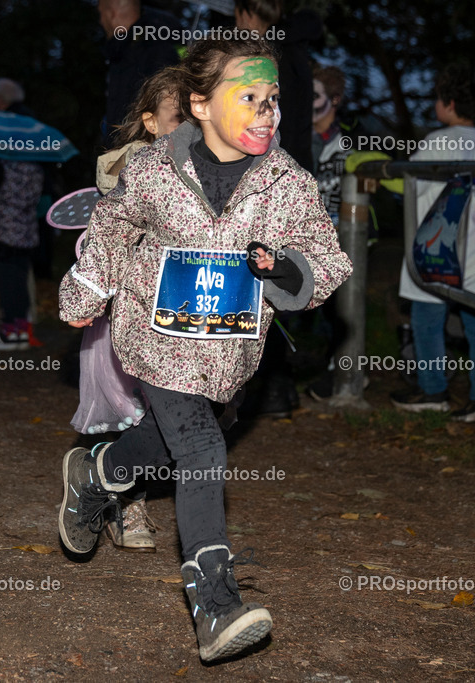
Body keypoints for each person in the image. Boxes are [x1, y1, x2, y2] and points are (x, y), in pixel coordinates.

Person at [57, 38, 352, 662]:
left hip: (229, 356)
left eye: (273, 99)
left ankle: (99, 474)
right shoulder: (153, 169)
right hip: (157, 337)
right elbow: (113, 226)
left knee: (184, 438)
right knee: (200, 445)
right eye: (249, 97)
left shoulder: (286, 183)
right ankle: (216, 605)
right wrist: (87, 286)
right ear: (200, 105)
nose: (267, 111)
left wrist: (289, 270)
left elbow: (327, 261)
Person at [83, 66, 183, 553]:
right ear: (150, 121)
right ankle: (126, 504)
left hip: (183, 313)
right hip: (132, 314)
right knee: (135, 409)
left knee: (180, 409)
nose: (187, 124)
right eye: (176, 114)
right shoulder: (133, 164)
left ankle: (115, 481)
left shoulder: (212, 166)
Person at [390, 65, 475, 422]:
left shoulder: (438, 143)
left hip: (436, 251)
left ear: (449, 105)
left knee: (427, 318)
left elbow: (410, 186)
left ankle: (433, 388)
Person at [0, 78, 44, 350]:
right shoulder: (37, 164)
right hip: (26, 232)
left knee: (8, 285)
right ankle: (20, 332)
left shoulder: (4, 164)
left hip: (4, 232)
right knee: (19, 284)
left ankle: (10, 334)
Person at [235, 0, 322, 173]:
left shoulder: (266, 59)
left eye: (236, 15)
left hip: (273, 169)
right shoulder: (291, 49)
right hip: (295, 165)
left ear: (246, 15)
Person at [97, 0, 180, 146]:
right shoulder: (122, 52)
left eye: (101, 14)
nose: (100, 21)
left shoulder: (156, 49)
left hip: (143, 154)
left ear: (112, 14)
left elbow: (168, 109)